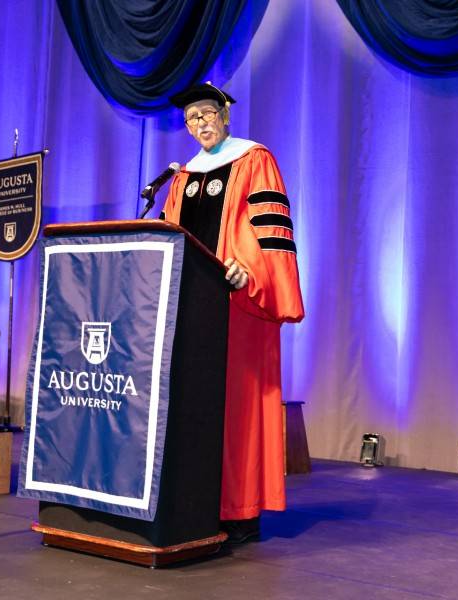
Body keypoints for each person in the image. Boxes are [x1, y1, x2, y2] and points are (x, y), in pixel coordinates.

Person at [162, 82, 304, 542]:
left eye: (206, 114)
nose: (199, 124)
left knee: (238, 407)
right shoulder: (182, 177)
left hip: (239, 305)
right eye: (191, 119)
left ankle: (240, 510)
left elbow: (267, 228)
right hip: (191, 308)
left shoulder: (253, 160)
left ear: (225, 114)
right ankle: (197, 500)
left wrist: (250, 271)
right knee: (195, 405)